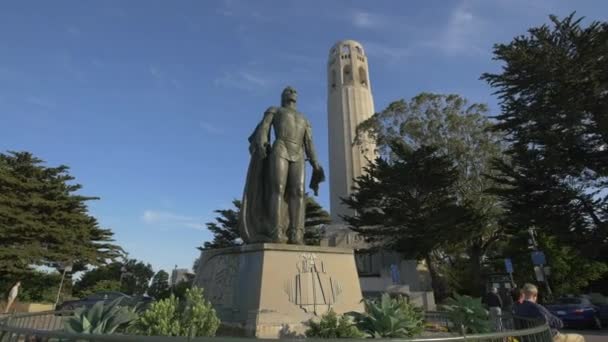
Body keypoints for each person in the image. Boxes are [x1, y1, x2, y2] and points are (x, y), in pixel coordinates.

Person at [514, 283, 584, 342]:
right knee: (579, 338)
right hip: (549, 338)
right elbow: (557, 323)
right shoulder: (537, 307)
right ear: (535, 295)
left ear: (523, 294)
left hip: (530, 338)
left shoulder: (518, 307)